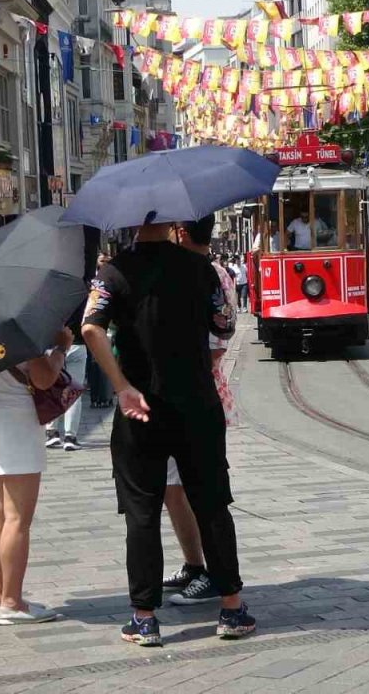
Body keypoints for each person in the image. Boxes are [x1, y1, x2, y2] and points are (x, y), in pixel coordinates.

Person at [82, 216, 254, 647]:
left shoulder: (114, 272)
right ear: (174, 222)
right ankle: (231, 608)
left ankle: (144, 618)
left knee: (141, 512)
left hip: (140, 407)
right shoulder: (202, 268)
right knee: (212, 503)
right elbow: (224, 325)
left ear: (128, 223)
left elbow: (90, 327)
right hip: (196, 403)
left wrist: (121, 386)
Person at [0, 328, 71, 625]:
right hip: (17, 417)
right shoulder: (17, 325)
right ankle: (12, 601)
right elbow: (44, 378)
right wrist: (61, 348)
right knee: (18, 517)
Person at [161, 216, 239, 607]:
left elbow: (218, 340)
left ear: (181, 232)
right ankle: (195, 565)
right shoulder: (217, 273)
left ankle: (209, 572)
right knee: (175, 489)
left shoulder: (203, 276)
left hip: (196, 394)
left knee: (195, 491)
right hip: (200, 392)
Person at [44, 308, 87, 452]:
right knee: (73, 392)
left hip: (53, 344)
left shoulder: (51, 294)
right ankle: (70, 437)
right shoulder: (84, 294)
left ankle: (51, 432)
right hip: (77, 343)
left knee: (52, 387)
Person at [86, 254, 115, 409]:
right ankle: (96, 396)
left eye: (107, 260)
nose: (104, 263)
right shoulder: (93, 280)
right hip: (96, 325)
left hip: (108, 328)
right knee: (95, 364)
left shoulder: (112, 276)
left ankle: (107, 396)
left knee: (104, 363)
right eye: (102, 260)